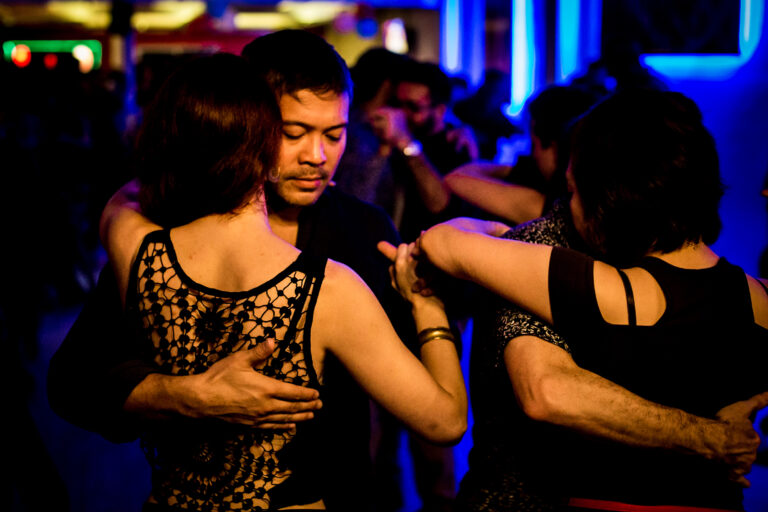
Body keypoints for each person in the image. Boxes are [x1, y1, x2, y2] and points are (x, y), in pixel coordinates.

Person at [47, 29, 415, 511]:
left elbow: (404, 401)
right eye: (293, 132)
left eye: (335, 133)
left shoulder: (363, 230)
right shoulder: (168, 234)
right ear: (249, 123)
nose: (317, 157)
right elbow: (73, 383)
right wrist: (186, 395)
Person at [407, 88, 768, 510]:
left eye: (575, 192)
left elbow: (443, 242)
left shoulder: (605, 288)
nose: (567, 205)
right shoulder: (758, 297)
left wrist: (503, 240)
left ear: (609, 200)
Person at [444, 84, 600, 226]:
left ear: (551, 145)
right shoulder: (596, 198)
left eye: (532, 143)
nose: (533, 155)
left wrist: (509, 169)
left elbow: (456, 178)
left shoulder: (551, 206)